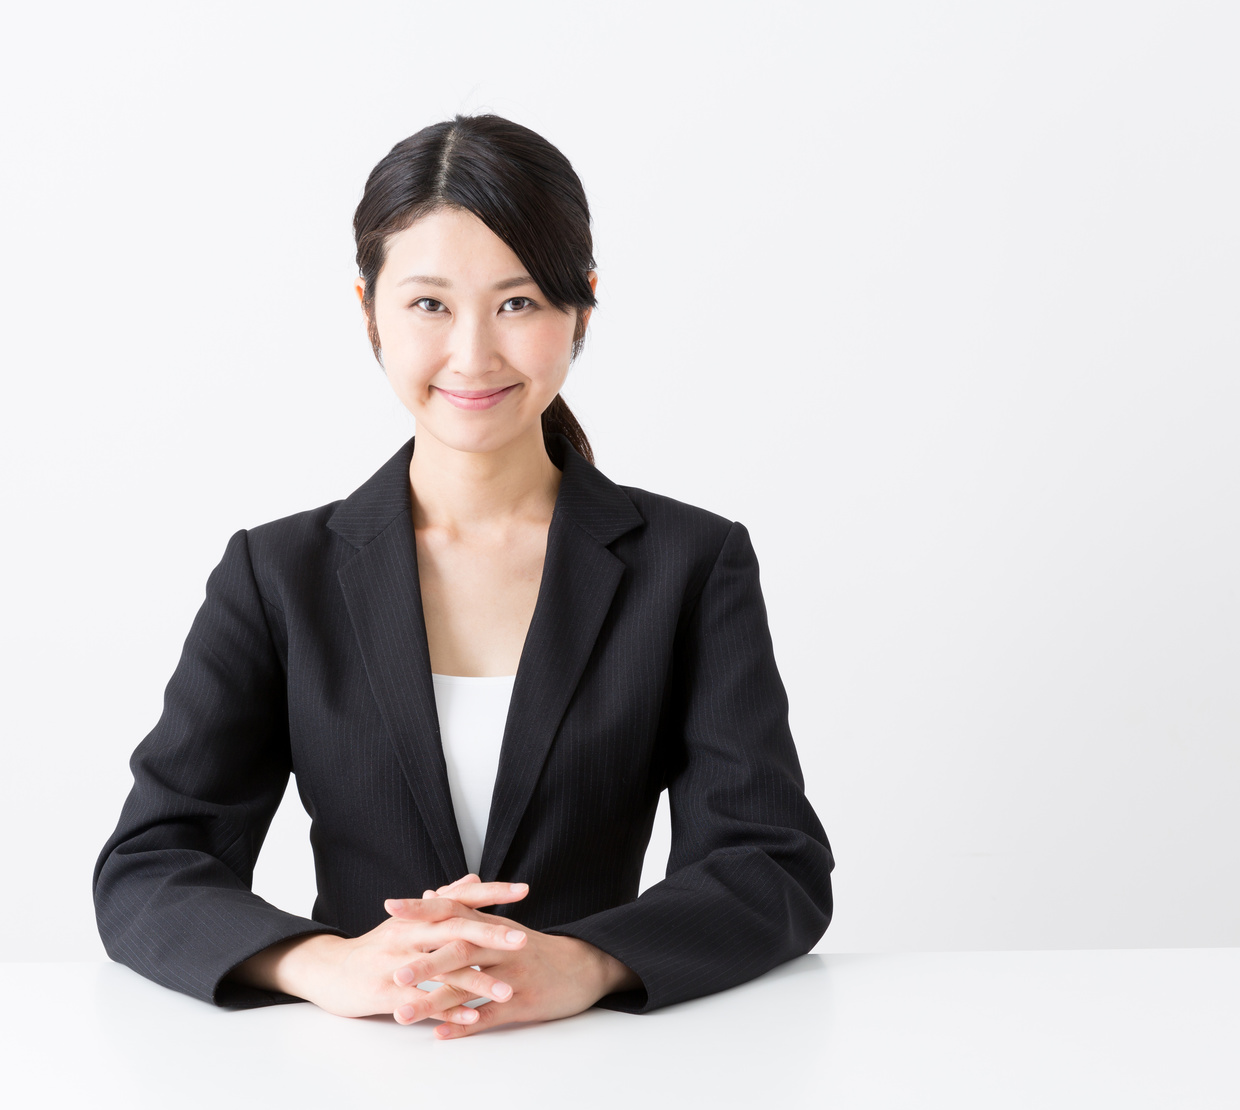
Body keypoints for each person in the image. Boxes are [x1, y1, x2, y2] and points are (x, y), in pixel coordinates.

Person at [92, 114, 833, 1040]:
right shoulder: (277, 574)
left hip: (606, 1071)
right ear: (368, 310)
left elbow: (772, 862)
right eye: (429, 304)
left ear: (583, 308)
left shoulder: (689, 562)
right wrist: (330, 963)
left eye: (518, 303)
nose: (473, 355)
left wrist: (590, 961)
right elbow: (150, 864)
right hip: (351, 1073)